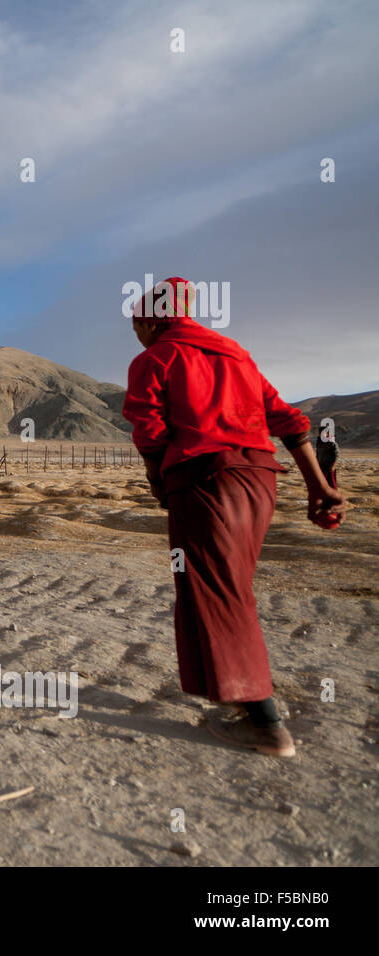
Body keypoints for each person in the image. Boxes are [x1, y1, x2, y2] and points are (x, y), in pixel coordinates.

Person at [122, 276, 346, 759]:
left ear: (150, 320)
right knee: (226, 586)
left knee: (217, 590)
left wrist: (159, 481)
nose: (136, 334)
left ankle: (264, 721)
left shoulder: (154, 358)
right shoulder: (234, 354)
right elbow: (288, 419)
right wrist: (318, 486)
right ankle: (231, 698)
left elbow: (150, 430)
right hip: (260, 479)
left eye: (136, 325)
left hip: (205, 482)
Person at [315, 423, 338, 490]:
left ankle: (334, 496)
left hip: (329, 466)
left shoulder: (332, 443)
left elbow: (336, 455)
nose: (321, 434)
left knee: (331, 483)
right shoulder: (319, 442)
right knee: (321, 482)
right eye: (320, 433)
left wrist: (333, 465)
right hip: (320, 465)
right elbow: (317, 454)